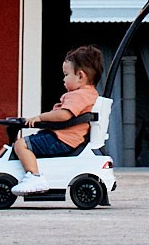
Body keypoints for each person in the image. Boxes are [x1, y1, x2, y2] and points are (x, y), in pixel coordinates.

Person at [11, 43, 103, 193]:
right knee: (32, 141)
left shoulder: (78, 95)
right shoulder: (90, 94)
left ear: (80, 76)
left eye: (66, 75)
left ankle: (34, 177)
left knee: (21, 144)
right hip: (67, 138)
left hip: (63, 139)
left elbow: (64, 114)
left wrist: (40, 117)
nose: (63, 80)